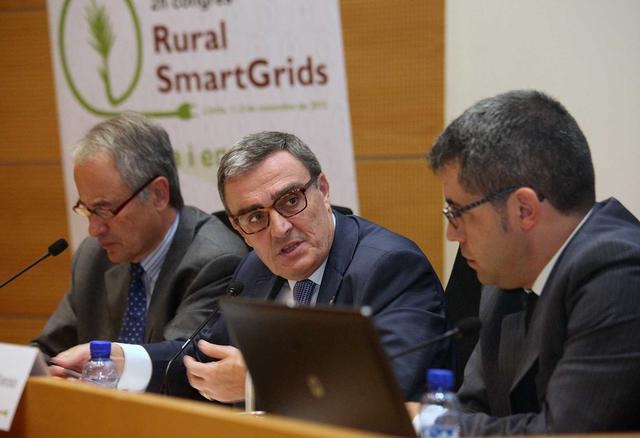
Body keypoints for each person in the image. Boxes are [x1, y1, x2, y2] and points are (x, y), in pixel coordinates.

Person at [52, 131, 451, 402]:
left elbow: (392, 387)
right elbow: (199, 359)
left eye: (291, 201)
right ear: (239, 228)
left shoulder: (389, 266)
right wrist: (120, 360)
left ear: (324, 190)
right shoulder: (254, 271)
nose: (279, 228)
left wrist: (258, 382)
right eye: (255, 216)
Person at [426, 89, 640, 434]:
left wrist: (430, 425)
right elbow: (473, 407)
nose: (452, 234)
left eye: (458, 213)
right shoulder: (508, 275)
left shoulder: (619, 273)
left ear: (524, 209)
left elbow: (562, 433)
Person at [35, 112, 248, 361]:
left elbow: (179, 363)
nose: (94, 229)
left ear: (158, 194)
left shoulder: (215, 260)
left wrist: (107, 360)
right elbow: (49, 349)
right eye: (87, 210)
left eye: (105, 209)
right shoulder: (92, 257)